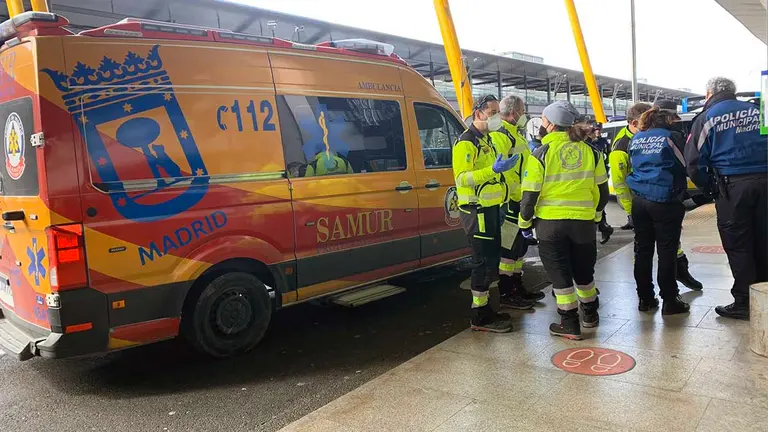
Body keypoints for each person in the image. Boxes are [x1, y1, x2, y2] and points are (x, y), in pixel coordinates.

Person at [519, 101, 610, 340]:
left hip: (550, 225)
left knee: (560, 276)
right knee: (584, 272)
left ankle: (569, 323)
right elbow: (602, 193)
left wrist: (524, 223)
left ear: (550, 125)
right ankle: (590, 314)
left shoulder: (540, 153)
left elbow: (529, 196)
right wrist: (596, 216)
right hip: (583, 224)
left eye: (543, 120)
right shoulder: (592, 152)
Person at [685, 77, 768, 320]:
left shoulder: (707, 118)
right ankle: (764, 295)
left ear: (708, 93)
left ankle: (744, 301)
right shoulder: (759, 111)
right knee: (765, 239)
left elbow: (693, 163)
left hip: (733, 187)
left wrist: (709, 188)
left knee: (738, 244)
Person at [453, 94, 524, 333]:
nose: (496, 118)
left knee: (491, 260)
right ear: (478, 114)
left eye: (497, 113)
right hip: (477, 211)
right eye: (492, 113)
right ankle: (479, 315)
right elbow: (462, 178)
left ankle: (485, 309)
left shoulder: (489, 140)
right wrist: (492, 170)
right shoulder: (466, 142)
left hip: (492, 209)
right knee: (482, 263)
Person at [627, 107, 692, 315]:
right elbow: (687, 163)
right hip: (665, 200)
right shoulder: (671, 137)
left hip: (639, 200)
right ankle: (670, 300)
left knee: (642, 250)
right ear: (668, 121)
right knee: (667, 251)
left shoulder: (636, 139)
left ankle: (645, 298)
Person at [493, 95, 543, 305]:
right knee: (509, 250)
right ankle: (507, 292)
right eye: (522, 112)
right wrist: (519, 193)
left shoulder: (516, 134)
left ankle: (517, 285)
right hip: (510, 201)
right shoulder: (501, 135)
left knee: (520, 248)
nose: (524, 115)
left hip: (520, 199)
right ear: (513, 113)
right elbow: (502, 172)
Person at [610, 102, 651, 230]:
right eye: (648, 122)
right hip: (639, 202)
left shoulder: (649, 135)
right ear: (634, 123)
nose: (652, 126)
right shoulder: (621, 148)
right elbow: (620, 183)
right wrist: (630, 211)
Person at [586, 121, 613, 244]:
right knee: (596, 204)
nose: (596, 132)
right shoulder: (587, 143)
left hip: (600, 175)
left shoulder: (603, 142)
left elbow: (607, 156)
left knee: (599, 202)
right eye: (594, 130)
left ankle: (603, 228)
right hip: (589, 177)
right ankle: (603, 227)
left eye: (598, 130)